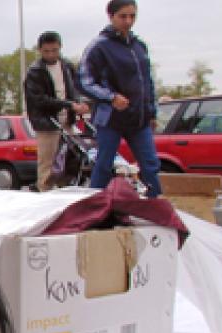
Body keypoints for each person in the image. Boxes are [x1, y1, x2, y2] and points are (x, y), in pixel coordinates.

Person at [78, 0, 162, 197]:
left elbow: (147, 82)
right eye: (123, 16)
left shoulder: (139, 46)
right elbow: (84, 81)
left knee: (150, 164)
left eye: (132, 16)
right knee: (104, 164)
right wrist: (110, 97)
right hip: (111, 118)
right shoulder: (99, 46)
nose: (128, 21)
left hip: (139, 118)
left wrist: (151, 112)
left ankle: (154, 203)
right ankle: (95, 202)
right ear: (111, 16)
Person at [24, 31, 90, 192]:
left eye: (54, 50)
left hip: (68, 122)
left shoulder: (67, 66)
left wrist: (81, 103)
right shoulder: (35, 71)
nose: (51, 54)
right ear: (40, 50)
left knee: (69, 162)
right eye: (46, 51)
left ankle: (65, 192)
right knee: (47, 165)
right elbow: (39, 100)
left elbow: (75, 89)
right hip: (47, 124)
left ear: (60, 47)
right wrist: (68, 104)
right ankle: (45, 193)